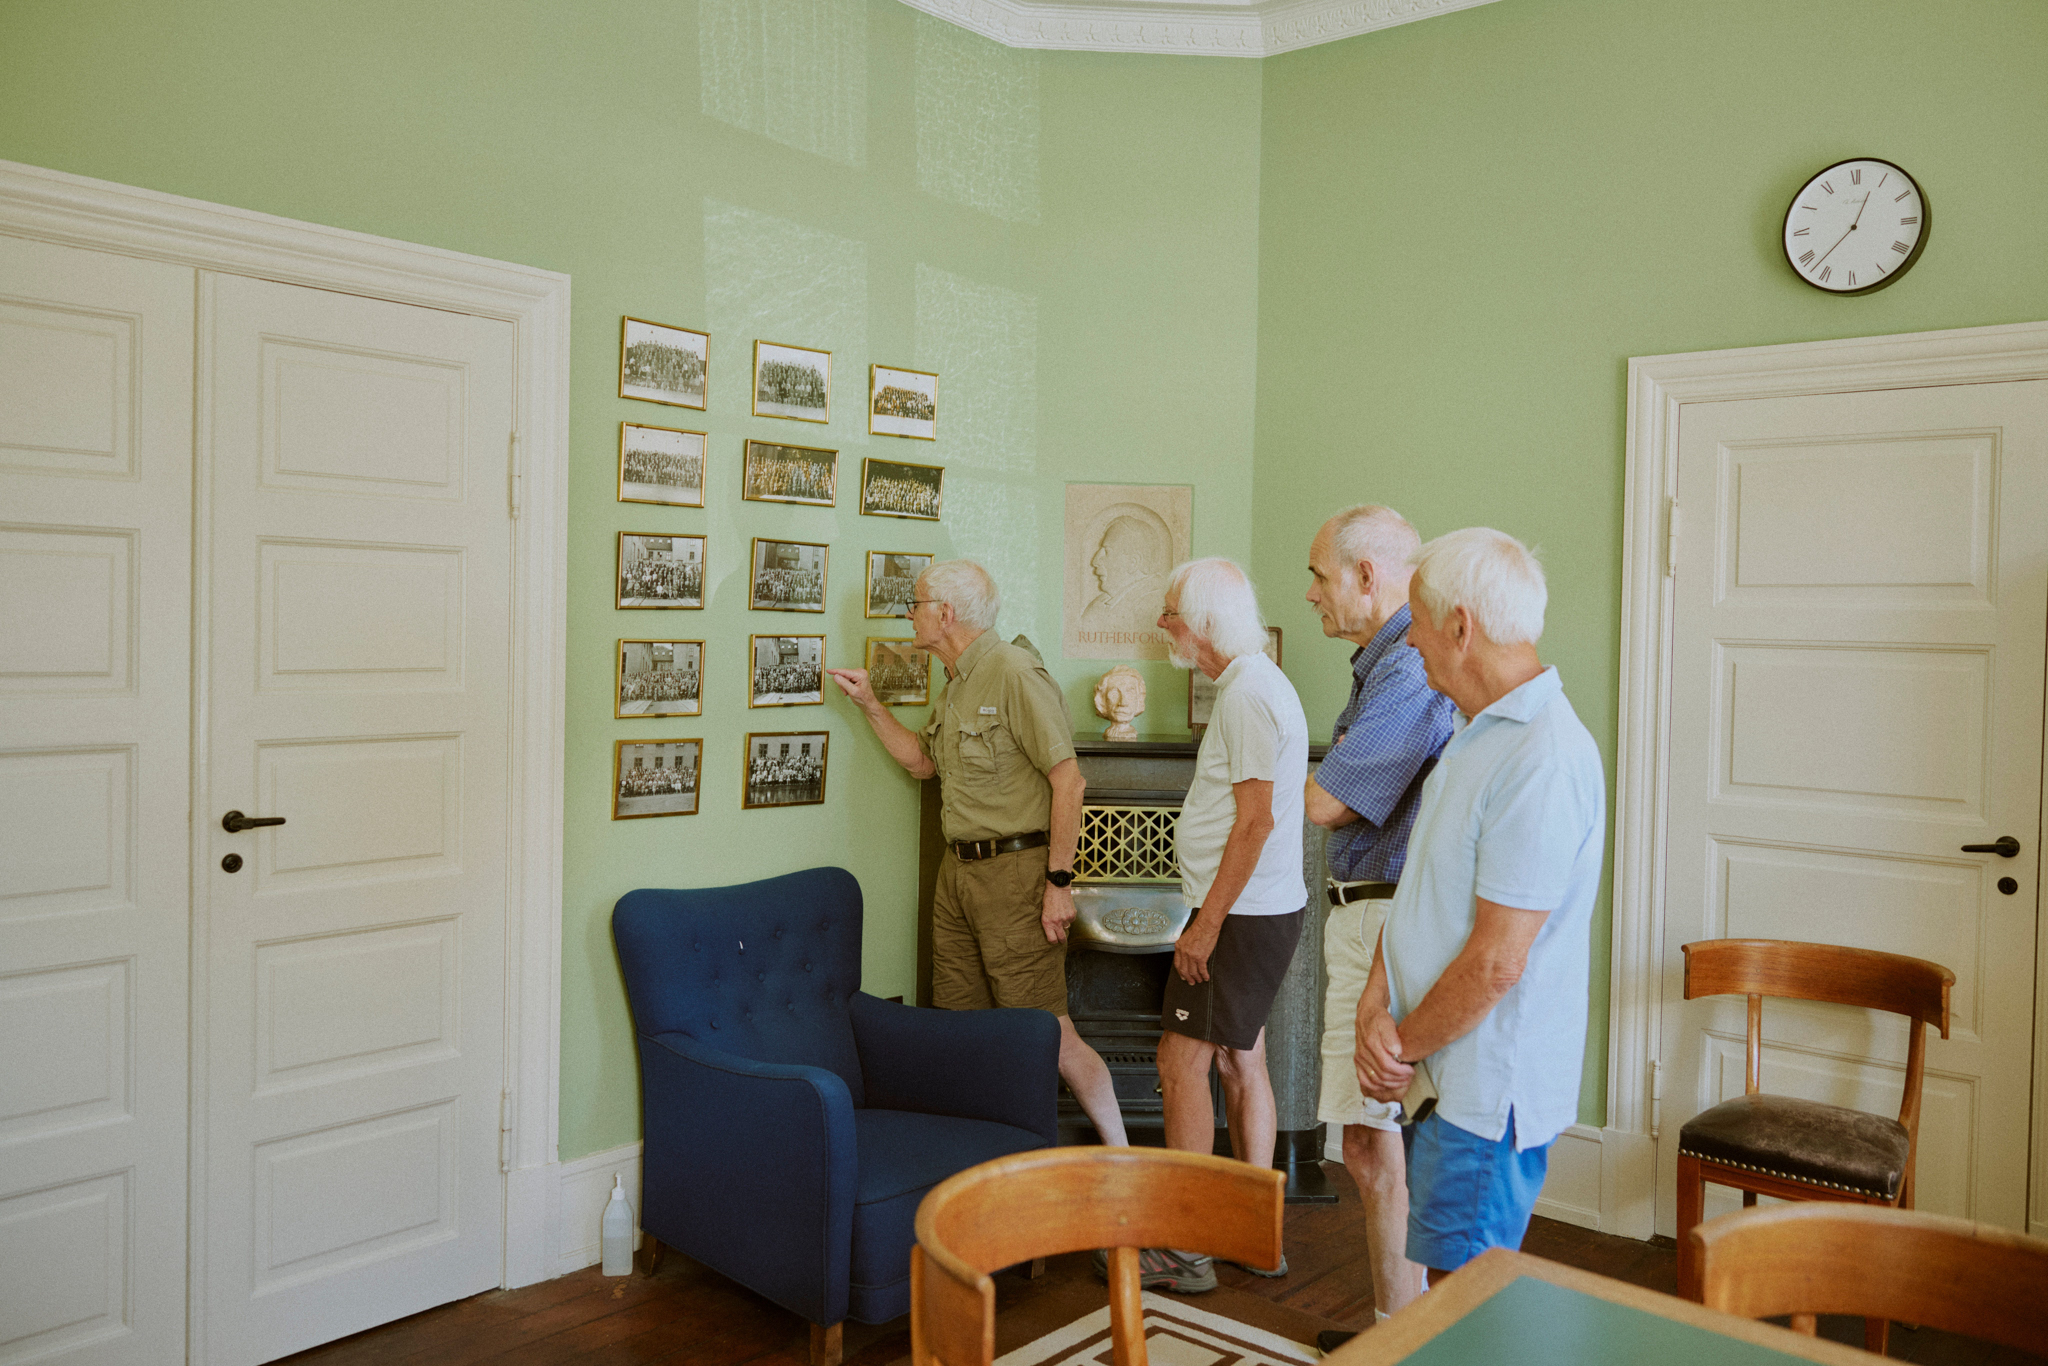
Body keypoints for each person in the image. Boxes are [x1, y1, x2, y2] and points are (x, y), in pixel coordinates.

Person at [1354, 528, 1605, 1284]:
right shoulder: (1475, 733)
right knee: (1446, 1293)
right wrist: (1376, 1000)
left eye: (1417, 623)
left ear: (1460, 626)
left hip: (1488, 1088)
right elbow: (1423, 892)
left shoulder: (1543, 757)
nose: (1411, 641)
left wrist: (1398, 1046)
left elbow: (1497, 962)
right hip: (1446, 1071)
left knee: (1469, 1306)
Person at [825, 559, 1128, 1147]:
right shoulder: (957, 679)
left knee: (1049, 1032)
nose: (908, 614)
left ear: (946, 612)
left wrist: (1058, 883)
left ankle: (1122, 1163)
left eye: (914, 604)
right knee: (965, 1032)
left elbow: (1069, 781)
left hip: (1017, 876)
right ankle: (988, 1166)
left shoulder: (1013, 671)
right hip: (957, 876)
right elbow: (922, 763)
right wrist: (869, 703)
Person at [1301, 506, 1455, 1333]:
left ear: (1366, 576)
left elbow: (1328, 802)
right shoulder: (1382, 665)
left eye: (1321, 575)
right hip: (1370, 918)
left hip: (1383, 925)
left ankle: (1403, 1338)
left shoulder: (1403, 671)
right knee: (1371, 1144)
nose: (1313, 593)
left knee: (1375, 1142)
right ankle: (1396, 1329)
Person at [1146, 557, 1311, 1294]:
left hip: (1239, 916)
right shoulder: (1259, 685)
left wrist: (1204, 926)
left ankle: (1185, 1250)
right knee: (1243, 1065)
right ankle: (1255, 1236)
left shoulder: (1246, 696)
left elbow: (1255, 822)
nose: (1163, 625)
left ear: (1205, 622)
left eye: (1172, 611)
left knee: (1178, 1065)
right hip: (1263, 910)